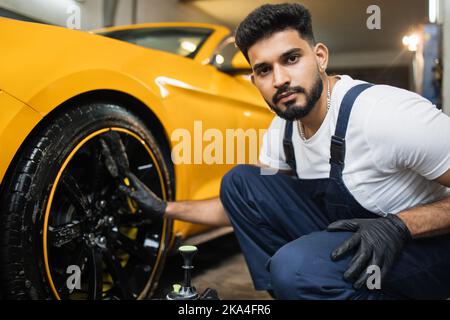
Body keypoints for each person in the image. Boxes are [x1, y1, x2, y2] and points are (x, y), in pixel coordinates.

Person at [116, 3, 450, 299]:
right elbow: (236, 205)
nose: (280, 79)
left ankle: (308, 282)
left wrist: (401, 225)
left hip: (427, 251)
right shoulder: (283, 130)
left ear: (320, 57)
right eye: (264, 69)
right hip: (353, 240)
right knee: (241, 183)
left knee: (296, 269)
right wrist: (164, 208)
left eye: (291, 59)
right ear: (254, 80)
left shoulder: (383, 114)